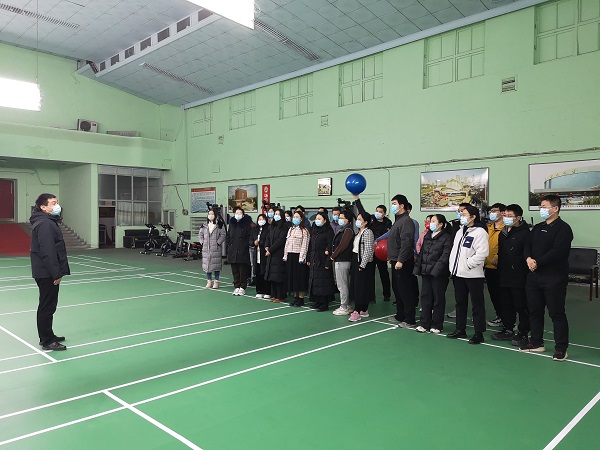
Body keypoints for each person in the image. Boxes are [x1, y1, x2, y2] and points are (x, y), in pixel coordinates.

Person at [521, 195, 573, 361]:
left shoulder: (564, 229)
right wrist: (528, 258)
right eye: (541, 207)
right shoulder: (538, 227)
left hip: (554, 278)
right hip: (534, 277)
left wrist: (537, 262)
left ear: (555, 208)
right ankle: (536, 342)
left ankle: (561, 348)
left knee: (556, 313)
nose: (541, 209)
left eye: (544, 206)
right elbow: (527, 245)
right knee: (534, 311)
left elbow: (558, 252)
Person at [30, 193, 70, 351]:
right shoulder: (45, 224)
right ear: (43, 207)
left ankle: (48, 335)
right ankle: (47, 341)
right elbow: (48, 251)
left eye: (57, 202)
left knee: (47, 305)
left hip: (45, 271)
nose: (57, 205)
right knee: (47, 306)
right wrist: (56, 273)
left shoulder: (47, 221)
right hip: (47, 273)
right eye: (53, 203)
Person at [447, 204, 489, 344]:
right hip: (458, 274)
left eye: (464, 214)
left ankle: (479, 333)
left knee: (477, 305)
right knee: (460, 303)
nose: (461, 216)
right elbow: (455, 251)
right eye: (460, 213)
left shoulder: (480, 232)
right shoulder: (460, 231)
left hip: (473, 275)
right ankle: (460, 329)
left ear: (473, 217)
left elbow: (482, 253)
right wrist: (453, 267)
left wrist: (468, 264)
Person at [494, 204, 529, 345]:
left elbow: (527, 254)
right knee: (505, 303)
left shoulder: (525, 233)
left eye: (510, 216)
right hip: (503, 273)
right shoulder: (503, 233)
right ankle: (508, 329)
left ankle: (523, 333)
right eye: (505, 215)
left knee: (521, 305)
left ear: (518, 217)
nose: (506, 218)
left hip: (519, 275)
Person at [413, 214, 453, 333]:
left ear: (440, 224)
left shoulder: (446, 238)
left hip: (439, 274)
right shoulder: (427, 236)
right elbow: (422, 254)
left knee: (438, 299)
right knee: (426, 298)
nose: (430, 223)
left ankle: (437, 325)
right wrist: (417, 269)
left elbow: (445, 256)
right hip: (426, 272)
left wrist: (435, 270)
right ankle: (424, 323)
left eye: (433, 221)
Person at [387, 194, 418, 328]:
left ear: (401, 206)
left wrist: (400, 260)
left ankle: (410, 319)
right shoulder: (398, 220)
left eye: (394, 203)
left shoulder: (406, 221)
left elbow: (406, 242)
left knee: (405, 290)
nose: (392, 206)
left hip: (403, 261)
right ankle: (400, 314)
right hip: (395, 260)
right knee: (397, 289)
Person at [355, 196, 392, 302]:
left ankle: (387, 294)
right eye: (376, 211)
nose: (377, 213)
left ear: (384, 214)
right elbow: (362, 212)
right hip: (370, 251)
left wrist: (378, 240)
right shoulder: (372, 219)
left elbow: (389, 234)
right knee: (370, 273)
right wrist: (357, 200)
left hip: (381, 251)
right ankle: (370, 295)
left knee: (383, 273)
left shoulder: (388, 222)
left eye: (380, 212)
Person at [348, 213, 375, 321]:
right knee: (356, 285)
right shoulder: (359, 233)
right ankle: (364, 309)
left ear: (366, 222)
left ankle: (357, 311)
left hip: (363, 263)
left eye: (360, 219)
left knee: (361, 287)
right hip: (356, 259)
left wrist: (362, 265)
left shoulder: (368, 232)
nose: (357, 221)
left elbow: (368, 250)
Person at [307, 212, 335, 312]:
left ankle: (324, 303)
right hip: (314, 258)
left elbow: (330, 247)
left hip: (323, 259)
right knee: (315, 281)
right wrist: (309, 258)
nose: (317, 220)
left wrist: (328, 261)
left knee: (324, 281)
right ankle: (317, 301)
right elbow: (310, 246)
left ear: (325, 220)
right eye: (316, 219)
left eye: (319, 219)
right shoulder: (314, 231)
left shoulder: (329, 232)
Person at [485, 203, 506, 327]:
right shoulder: (488, 227)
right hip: (488, 266)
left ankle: (507, 319)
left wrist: (498, 257)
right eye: (491, 211)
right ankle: (499, 316)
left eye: (494, 211)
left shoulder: (506, 228)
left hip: (500, 267)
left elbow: (506, 246)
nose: (491, 213)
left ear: (502, 212)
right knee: (493, 294)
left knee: (503, 295)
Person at [330, 210, 355, 315]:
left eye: (341, 218)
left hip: (343, 260)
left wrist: (333, 255)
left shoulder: (348, 230)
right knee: (343, 284)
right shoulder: (343, 229)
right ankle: (347, 305)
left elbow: (343, 245)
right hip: (340, 260)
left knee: (342, 285)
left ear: (347, 219)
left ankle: (344, 306)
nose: (339, 219)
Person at [284, 211, 310, 306]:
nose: (295, 218)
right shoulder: (291, 229)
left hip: (299, 256)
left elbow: (305, 245)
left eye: (297, 217)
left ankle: (301, 298)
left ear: (301, 219)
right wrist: (285, 255)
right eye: (294, 217)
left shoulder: (304, 231)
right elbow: (287, 243)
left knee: (300, 278)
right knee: (293, 278)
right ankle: (295, 297)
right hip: (290, 255)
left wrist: (302, 257)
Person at [227, 207, 253, 296]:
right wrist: (229, 245)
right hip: (232, 251)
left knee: (243, 270)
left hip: (243, 251)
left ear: (243, 215)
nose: (238, 215)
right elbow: (228, 235)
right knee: (235, 270)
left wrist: (245, 245)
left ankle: (242, 287)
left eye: (240, 213)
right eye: (236, 213)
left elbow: (250, 237)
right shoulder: (232, 224)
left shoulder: (247, 225)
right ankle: (236, 286)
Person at [198, 208, 226, 289]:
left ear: (215, 215)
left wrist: (218, 242)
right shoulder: (204, 225)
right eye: (209, 214)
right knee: (207, 265)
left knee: (216, 265)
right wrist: (202, 242)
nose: (210, 215)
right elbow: (200, 235)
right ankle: (209, 281)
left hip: (215, 248)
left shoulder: (219, 224)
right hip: (206, 248)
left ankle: (216, 281)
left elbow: (223, 235)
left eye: (212, 214)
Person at [264, 208, 287, 303]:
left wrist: (270, 250)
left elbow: (280, 241)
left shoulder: (284, 227)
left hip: (278, 254)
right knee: (272, 276)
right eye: (275, 214)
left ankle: (281, 296)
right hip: (271, 255)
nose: (276, 215)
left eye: (278, 214)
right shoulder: (272, 227)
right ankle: (274, 295)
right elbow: (268, 238)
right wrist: (266, 246)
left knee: (278, 276)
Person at [252, 213, 270, 299]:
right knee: (258, 273)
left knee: (265, 273)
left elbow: (268, 240)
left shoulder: (268, 229)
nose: (260, 221)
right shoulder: (255, 230)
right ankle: (259, 290)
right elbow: (250, 241)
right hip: (257, 254)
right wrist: (254, 243)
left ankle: (267, 291)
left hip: (264, 254)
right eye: (259, 219)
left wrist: (261, 242)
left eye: (262, 219)